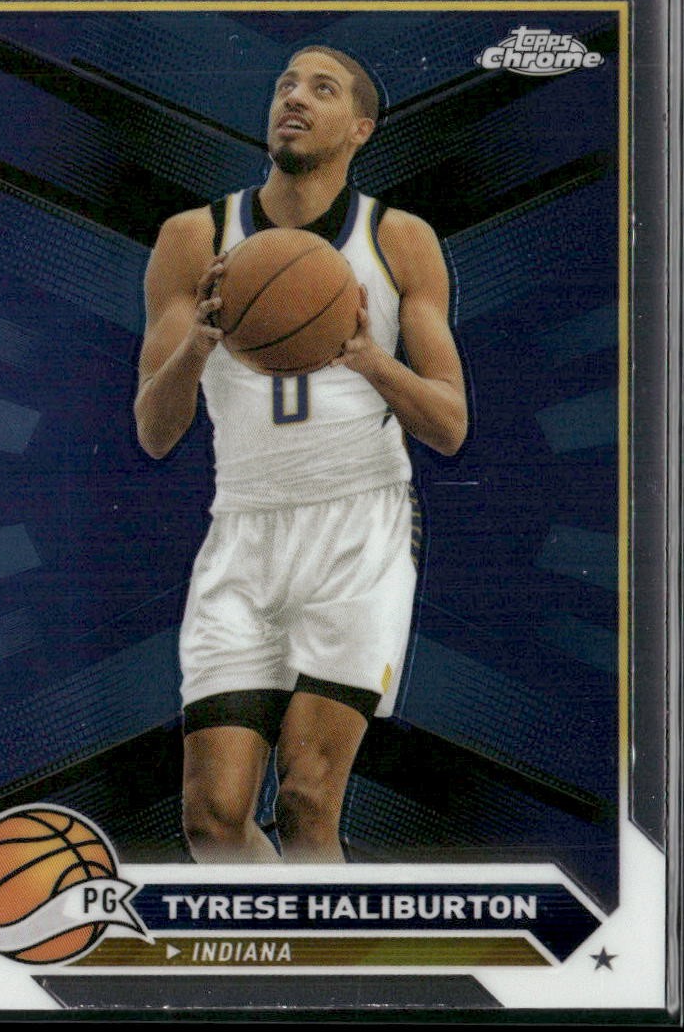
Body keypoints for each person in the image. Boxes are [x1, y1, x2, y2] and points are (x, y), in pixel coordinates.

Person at [134, 45, 467, 864]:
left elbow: (449, 424)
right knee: (212, 819)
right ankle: (283, 934)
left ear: (359, 129)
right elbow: (153, 430)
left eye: (322, 89)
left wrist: (369, 358)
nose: (295, 97)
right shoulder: (193, 237)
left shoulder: (398, 238)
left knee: (307, 799)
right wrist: (199, 342)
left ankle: (328, 945)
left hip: (360, 528)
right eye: (286, 84)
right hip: (243, 529)